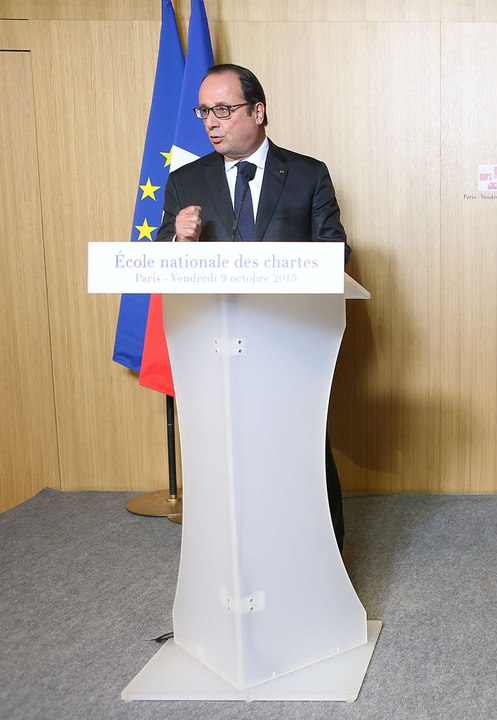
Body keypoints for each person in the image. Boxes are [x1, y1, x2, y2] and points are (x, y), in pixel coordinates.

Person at [157, 63, 351, 551]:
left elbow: (336, 252)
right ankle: (236, 556)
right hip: (214, 348)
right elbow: (159, 264)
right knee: (227, 459)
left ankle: (324, 558)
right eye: (205, 111)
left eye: (223, 109)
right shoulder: (185, 181)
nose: (211, 122)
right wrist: (179, 241)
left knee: (301, 454)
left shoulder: (308, 174)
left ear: (258, 111)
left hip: (289, 344)